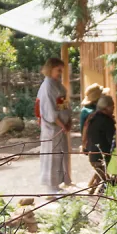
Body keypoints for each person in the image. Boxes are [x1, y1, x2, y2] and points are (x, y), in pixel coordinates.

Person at [37, 57, 73, 194]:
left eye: (61, 71)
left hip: (60, 126)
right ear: (50, 69)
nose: (60, 73)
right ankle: (50, 187)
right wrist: (61, 123)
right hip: (52, 127)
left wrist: (68, 120)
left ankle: (57, 184)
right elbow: (48, 111)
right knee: (51, 155)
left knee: (60, 155)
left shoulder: (57, 85)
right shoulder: (47, 86)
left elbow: (63, 104)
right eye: (58, 70)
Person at [82, 93, 116, 187]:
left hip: (92, 155)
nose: (113, 108)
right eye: (112, 106)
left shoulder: (92, 117)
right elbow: (112, 141)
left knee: (101, 174)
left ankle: (94, 188)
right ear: (106, 107)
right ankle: (106, 187)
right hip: (102, 157)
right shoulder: (106, 121)